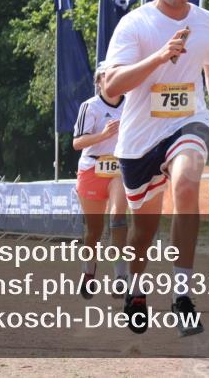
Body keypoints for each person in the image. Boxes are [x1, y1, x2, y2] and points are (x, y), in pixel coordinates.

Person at [103, 0, 209, 336]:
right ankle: (134, 289)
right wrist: (160, 56)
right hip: (140, 137)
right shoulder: (135, 24)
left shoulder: (207, 23)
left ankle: (182, 294)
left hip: (189, 123)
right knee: (142, 232)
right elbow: (113, 85)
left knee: (186, 182)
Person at [72, 63, 129, 298]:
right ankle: (89, 271)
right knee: (93, 232)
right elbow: (77, 143)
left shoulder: (132, 103)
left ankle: (120, 277)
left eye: (118, 76)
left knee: (117, 218)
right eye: (109, 76)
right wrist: (103, 135)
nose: (114, 81)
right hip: (92, 168)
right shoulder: (90, 107)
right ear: (100, 81)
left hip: (119, 168)